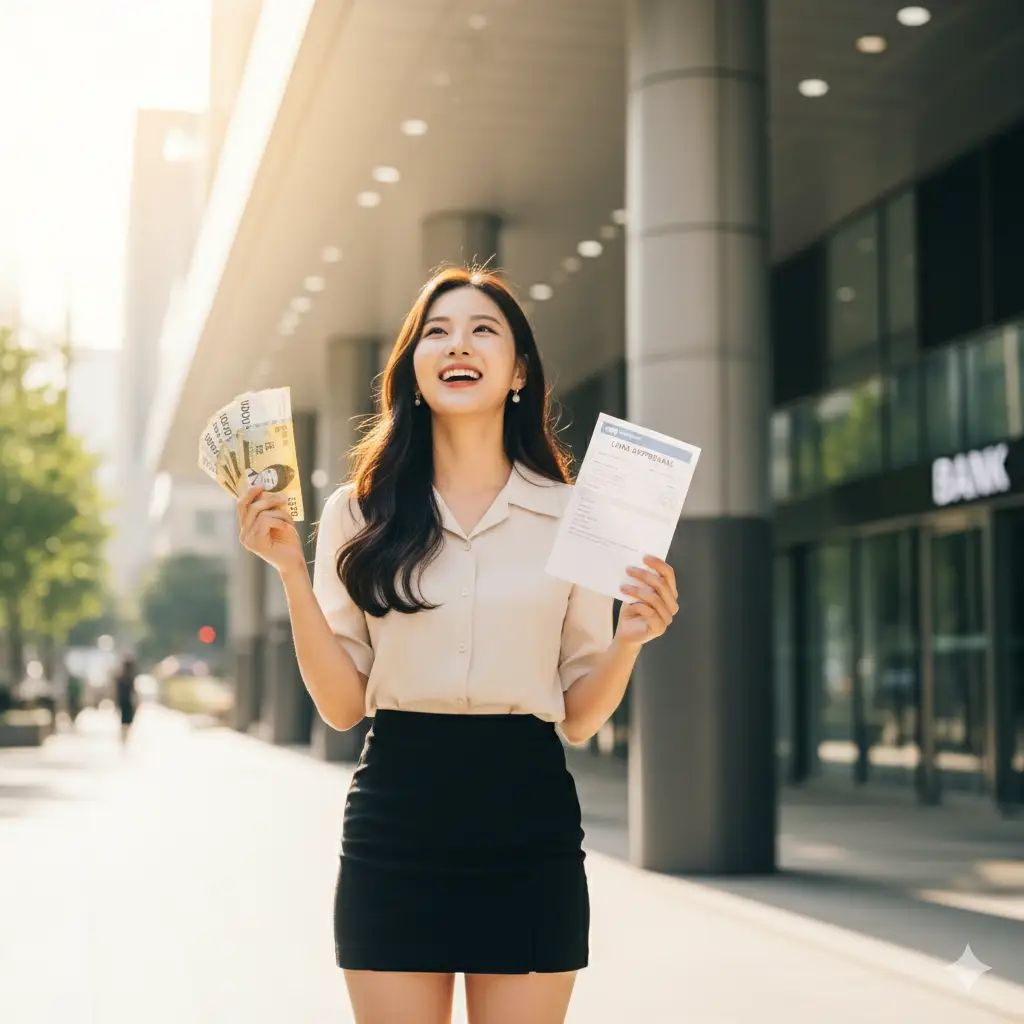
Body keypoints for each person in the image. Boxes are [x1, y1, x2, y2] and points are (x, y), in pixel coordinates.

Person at [236, 267, 678, 1024]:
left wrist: (631, 641)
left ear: (519, 371)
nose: (457, 345)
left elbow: (577, 716)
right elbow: (343, 706)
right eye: (435, 332)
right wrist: (288, 573)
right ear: (412, 370)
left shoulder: (580, 513)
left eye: (482, 330)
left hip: (528, 821)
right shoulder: (358, 512)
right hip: (396, 820)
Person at [113, 656, 138, 745]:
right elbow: (134, 692)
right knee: (126, 722)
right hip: (127, 702)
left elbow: (115, 691)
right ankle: (124, 738)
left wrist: (115, 702)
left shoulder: (122, 678)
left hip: (123, 702)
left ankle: (123, 738)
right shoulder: (129, 678)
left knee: (124, 722)